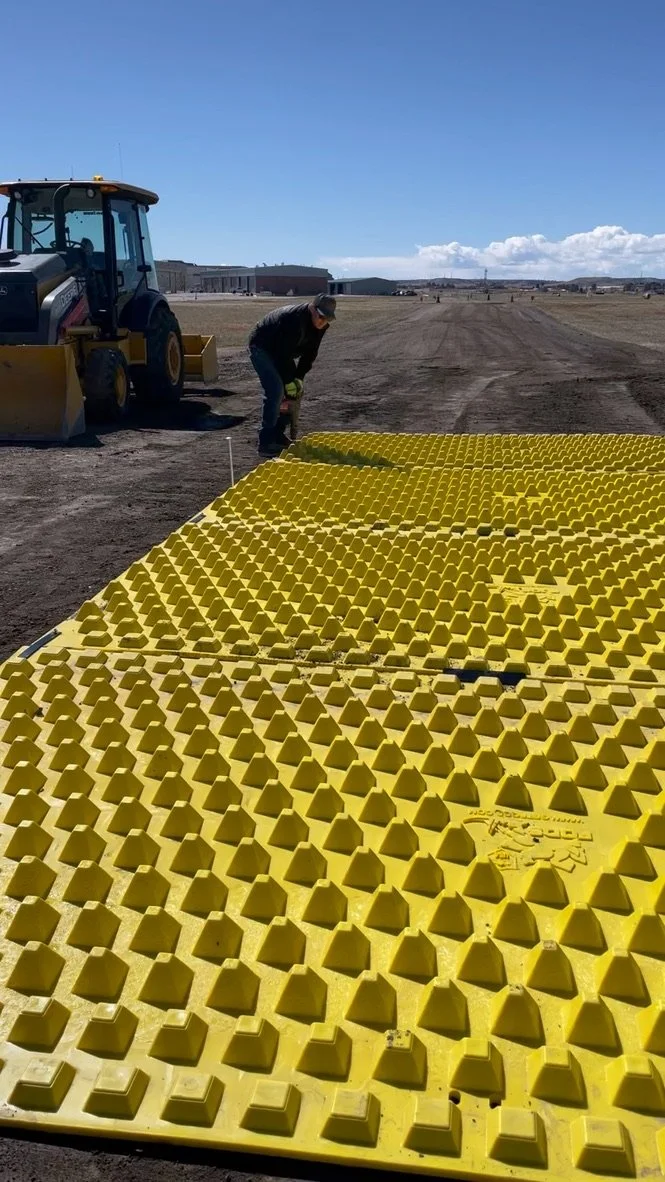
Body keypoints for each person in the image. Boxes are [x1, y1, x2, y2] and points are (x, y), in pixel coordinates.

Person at [249, 293, 336, 456]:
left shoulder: (321, 326)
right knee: (275, 389)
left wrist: (298, 378)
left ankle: (278, 434)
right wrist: (289, 381)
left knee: (291, 392)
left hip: (281, 352)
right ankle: (265, 441)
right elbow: (283, 355)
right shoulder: (294, 319)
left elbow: (310, 354)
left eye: (327, 319)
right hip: (262, 347)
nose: (322, 322)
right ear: (312, 308)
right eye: (321, 317)